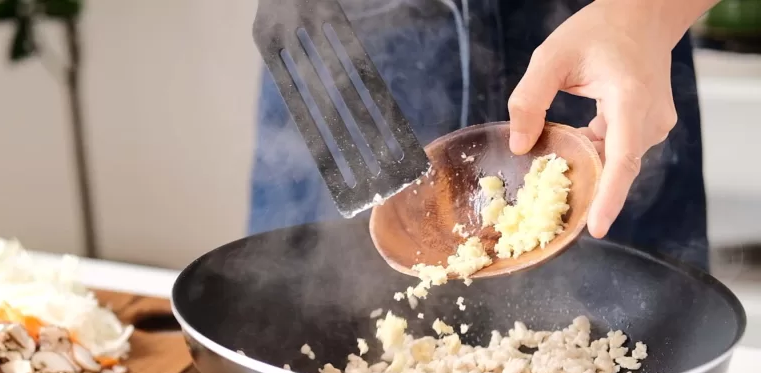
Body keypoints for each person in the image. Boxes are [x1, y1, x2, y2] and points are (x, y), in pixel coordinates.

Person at [247, 0, 719, 272]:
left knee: (643, 338)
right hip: (338, 52)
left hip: (602, 41)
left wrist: (645, 16)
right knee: (307, 324)